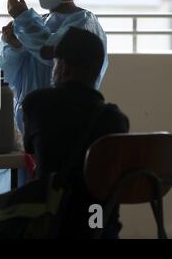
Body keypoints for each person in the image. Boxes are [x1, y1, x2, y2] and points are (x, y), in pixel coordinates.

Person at [0, 0, 109, 200]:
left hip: (68, 124)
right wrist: (14, 46)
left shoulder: (84, 23)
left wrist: (23, 19)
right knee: (17, 203)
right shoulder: (34, 23)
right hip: (26, 128)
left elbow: (52, 50)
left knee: (53, 200)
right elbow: (2, 76)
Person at [21, 27, 129, 238]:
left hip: (53, 224)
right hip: (98, 225)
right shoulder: (115, 119)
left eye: (56, 62)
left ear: (64, 68)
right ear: (97, 71)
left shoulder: (36, 104)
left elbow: (29, 150)